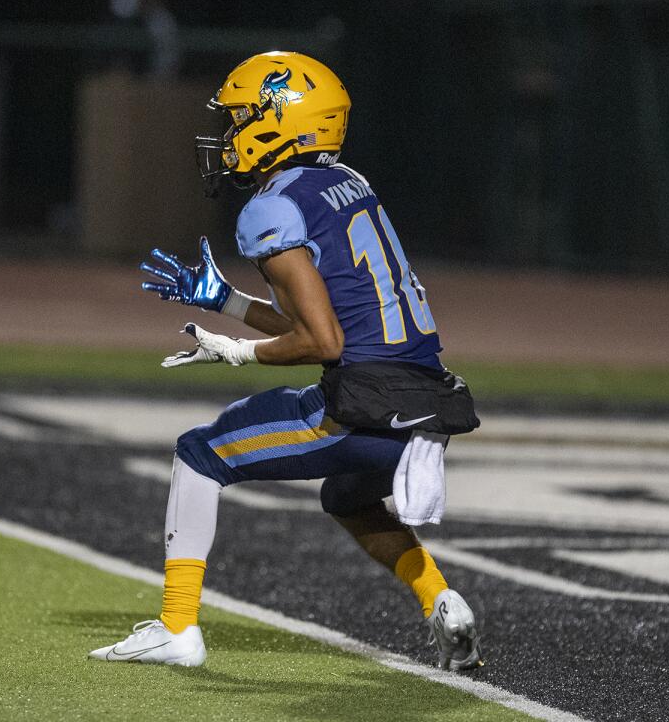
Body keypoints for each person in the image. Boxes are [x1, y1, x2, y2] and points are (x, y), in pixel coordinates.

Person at [89, 51, 484, 670]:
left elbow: (322, 344)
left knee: (199, 454)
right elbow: (326, 324)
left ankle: (176, 627)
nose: (228, 135)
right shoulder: (346, 182)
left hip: (363, 405)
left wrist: (235, 351)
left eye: (242, 117)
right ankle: (442, 599)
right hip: (425, 402)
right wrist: (225, 302)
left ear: (280, 121)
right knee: (347, 498)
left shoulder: (270, 208)